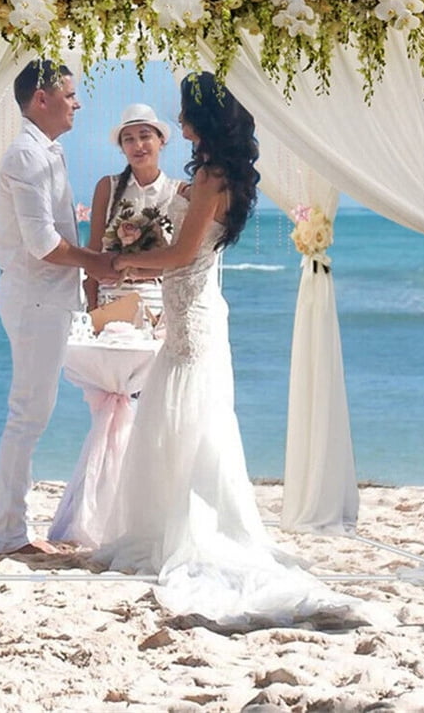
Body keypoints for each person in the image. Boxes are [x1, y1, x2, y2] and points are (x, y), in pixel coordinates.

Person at [93, 71, 370, 628]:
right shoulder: (213, 174)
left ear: (202, 119)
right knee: (177, 419)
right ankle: (166, 523)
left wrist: (124, 261)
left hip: (192, 316)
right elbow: (184, 254)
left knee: (193, 421)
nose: (178, 119)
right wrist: (137, 263)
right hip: (187, 308)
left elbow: (181, 255)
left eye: (184, 111)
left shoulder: (213, 176)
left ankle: (194, 529)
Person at [0, 60, 118, 555]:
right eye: (69, 94)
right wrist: (97, 262)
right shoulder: (26, 156)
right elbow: (43, 243)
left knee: (31, 414)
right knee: (27, 416)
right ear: (41, 99)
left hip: (50, 298)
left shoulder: (48, 152)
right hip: (36, 300)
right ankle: (10, 535)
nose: (77, 103)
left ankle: (15, 529)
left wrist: (91, 273)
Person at [82, 103, 181, 321]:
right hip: (110, 302)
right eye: (129, 139)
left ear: (161, 141)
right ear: (122, 147)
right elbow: (94, 251)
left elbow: (182, 259)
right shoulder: (107, 187)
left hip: (161, 303)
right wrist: (92, 311)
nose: (138, 145)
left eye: (145, 136)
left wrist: (137, 268)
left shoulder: (179, 192)